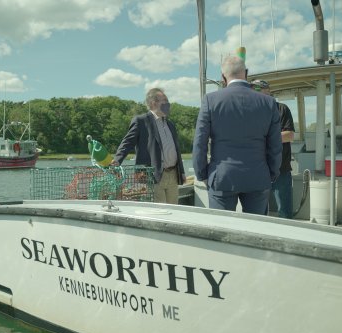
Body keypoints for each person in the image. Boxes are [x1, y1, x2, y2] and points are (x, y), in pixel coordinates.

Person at [192, 56, 282, 215]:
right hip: (258, 177)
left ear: (222, 77)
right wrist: (272, 173)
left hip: (221, 177)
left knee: (222, 230)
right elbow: (275, 145)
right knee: (255, 231)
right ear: (246, 73)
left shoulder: (210, 100)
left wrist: (202, 174)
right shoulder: (268, 102)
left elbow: (200, 142)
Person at [111, 88, 186, 204]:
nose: (168, 104)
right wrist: (117, 160)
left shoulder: (170, 124)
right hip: (153, 176)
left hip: (173, 175)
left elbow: (176, 150)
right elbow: (127, 142)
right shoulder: (141, 121)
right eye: (165, 101)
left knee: (174, 211)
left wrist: (181, 172)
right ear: (153, 103)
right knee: (160, 212)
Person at [252, 79, 296, 219]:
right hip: (257, 170)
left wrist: (264, 138)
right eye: (253, 90)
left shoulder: (282, 109)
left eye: (259, 89)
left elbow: (289, 135)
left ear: (268, 91)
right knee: (258, 212)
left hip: (280, 169)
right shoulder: (249, 113)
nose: (256, 92)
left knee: (284, 210)